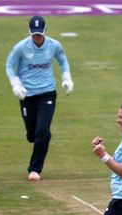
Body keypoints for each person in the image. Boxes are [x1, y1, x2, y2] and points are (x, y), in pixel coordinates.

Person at [5, 16, 74, 181]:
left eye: (39, 34)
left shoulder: (54, 45)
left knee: (42, 131)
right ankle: (39, 136)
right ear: (30, 33)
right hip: (27, 95)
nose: (37, 37)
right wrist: (15, 84)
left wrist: (67, 77)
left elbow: (63, 61)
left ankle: (35, 169)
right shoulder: (21, 47)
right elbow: (9, 65)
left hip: (47, 93)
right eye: (34, 34)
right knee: (33, 134)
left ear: (45, 32)